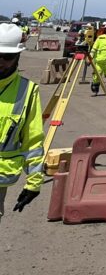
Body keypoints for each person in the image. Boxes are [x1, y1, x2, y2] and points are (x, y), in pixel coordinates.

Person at [0, 22, 44, 223]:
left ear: (18, 56)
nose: (1, 61)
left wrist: (34, 183)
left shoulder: (26, 91)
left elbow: (33, 142)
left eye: (7, 57)